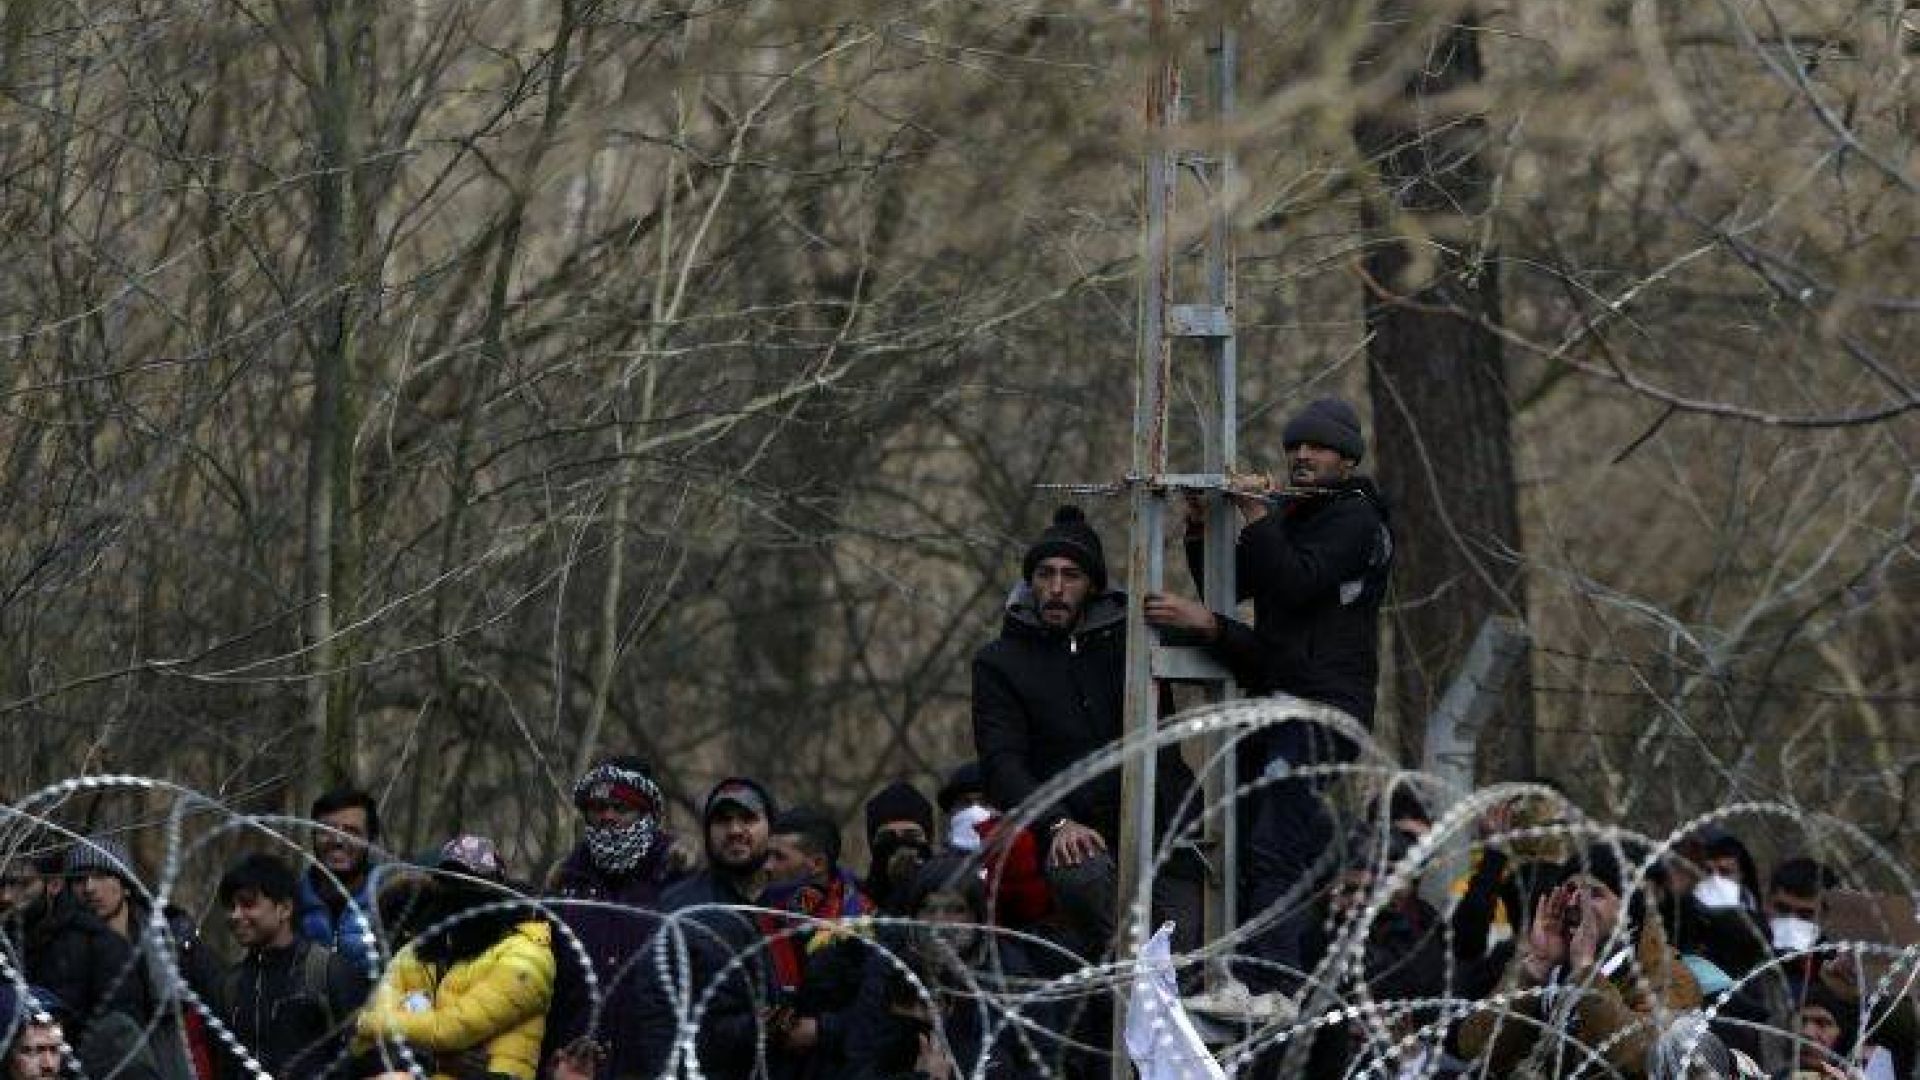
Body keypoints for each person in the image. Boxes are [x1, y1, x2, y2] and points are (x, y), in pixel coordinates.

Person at [1143, 396, 1392, 995]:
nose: (1302, 455)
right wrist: (1201, 530)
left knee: (1275, 843)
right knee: (1241, 841)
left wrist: (1255, 515)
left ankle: (1271, 985)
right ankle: (1240, 973)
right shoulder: (1298, 517)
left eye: (1318, 447)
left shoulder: (1355, 520)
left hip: (1319, 711)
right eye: (1294, 446)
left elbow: (1293, 581)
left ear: (1348, 459)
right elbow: (1237, 584)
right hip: (1274, 705)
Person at [970, 505, 1203, 962]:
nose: (1056, 588)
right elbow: (1002, 763)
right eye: (1045, 574)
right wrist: (1056, 821)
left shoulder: (1136, 642)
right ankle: (1128, 975)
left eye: (1071, 575)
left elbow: (1229, 652)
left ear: (1093, 585)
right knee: (1091, 889)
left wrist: (1204, 621)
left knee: (1182, 950)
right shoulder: (1000, 662)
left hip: (1164, 828)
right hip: (1076, 834)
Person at [1458, 844, 1702, 1077]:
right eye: (1570, 890)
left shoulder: (1667, 974)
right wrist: (1535, 967)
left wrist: (1586, 971)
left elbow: (1641, 1057)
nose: (1575, 902)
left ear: (1628, 910)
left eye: (1594, 894)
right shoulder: (1548, 970)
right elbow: (1475, 1051)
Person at [844, 858, 1065, 1079]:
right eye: (929, 909)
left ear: (976, 918)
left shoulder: (1010, 974)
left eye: (956, 910)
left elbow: (1044, 1062)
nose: (940, 923)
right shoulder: (890, 972)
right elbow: (859, 1064)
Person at [353, 836, 553, 1080]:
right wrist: (436, 1059)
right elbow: (363, 1043)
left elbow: (452, 1029)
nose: (456, 893)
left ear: (496, 891)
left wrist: (369, 1023)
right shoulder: (419, 951)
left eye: (470, 884)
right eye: (447, 882)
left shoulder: (526, 955)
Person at [541, 756, 686, 1080]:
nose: (607, 816)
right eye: (598, 808)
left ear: (646, 814)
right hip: (572, 1067)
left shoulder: (679, 886)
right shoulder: (565, 887)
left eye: (621, 808)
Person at [651, 777, 781, 1079]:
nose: (735, 830)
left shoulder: (798, 905)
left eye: (748, 819)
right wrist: (752, 1028)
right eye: (723, 821)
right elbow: (658, 1015)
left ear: (771, 829)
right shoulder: (682, 909)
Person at [68, 834, 218, 1080]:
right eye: (79, 879)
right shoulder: (68, 949)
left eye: (102, 876)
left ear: (126, 885)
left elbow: (213, 1012)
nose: (89, 888)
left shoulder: (172, 939)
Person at [213, 852, 364, 1080]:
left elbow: (364, 1057)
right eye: (231, 906)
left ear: (284, 908)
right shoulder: (231, 986)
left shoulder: (328, 972)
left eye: (247, 903)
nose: (235, 915)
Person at [761, 807, 876, 1077]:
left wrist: (822, 1030)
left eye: (779, 857)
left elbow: (879, 1010)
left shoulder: (862, 920)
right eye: (767, 855)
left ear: (817, 864)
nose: (767, 866)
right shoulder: (759, 912)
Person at [0, 846, 135, 1042]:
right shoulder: (7, 941)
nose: (6, 896)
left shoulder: (98, 944)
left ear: (54, 884)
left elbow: (118, 1032)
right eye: (2, 884)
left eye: (22, 884)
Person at [298, 788, 384, 977]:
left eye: (352, 831)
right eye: (327, 831)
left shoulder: (393, 899)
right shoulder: (288, 904)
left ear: (371, 839)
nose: (338, 840)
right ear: (313, 835)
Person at [862, 782, 935, 916]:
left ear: (928, 840)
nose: (899, 844)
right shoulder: (852, 903)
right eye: (887, 837)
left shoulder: (951, 898)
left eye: (911, 836)